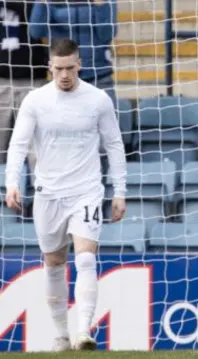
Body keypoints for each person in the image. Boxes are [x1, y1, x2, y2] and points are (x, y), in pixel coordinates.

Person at [4, 38, 127, 351]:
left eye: (70, 68)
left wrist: (119, 191)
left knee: (86, 258)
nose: (64, 75)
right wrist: (12, 183)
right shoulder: (36, 100)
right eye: (58, 68)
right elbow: (18, 145)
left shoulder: (98, 100)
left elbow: (114, 144)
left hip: (86, 190)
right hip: (48, 195)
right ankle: (61, 335)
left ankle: (84, 331)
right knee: (54, 262)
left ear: (80, 65)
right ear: (49, 67)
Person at [29, 0, 118, 106]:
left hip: (98, 76)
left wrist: (102, 6)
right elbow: (36, 32)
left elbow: (107, 34)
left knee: (106, 121)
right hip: (63, 77)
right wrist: (41, 4)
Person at [0, 0, 48, 164]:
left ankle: (41, 188)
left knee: (35, 146)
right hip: (2, 80)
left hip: (34, 79)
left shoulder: (38, 4)